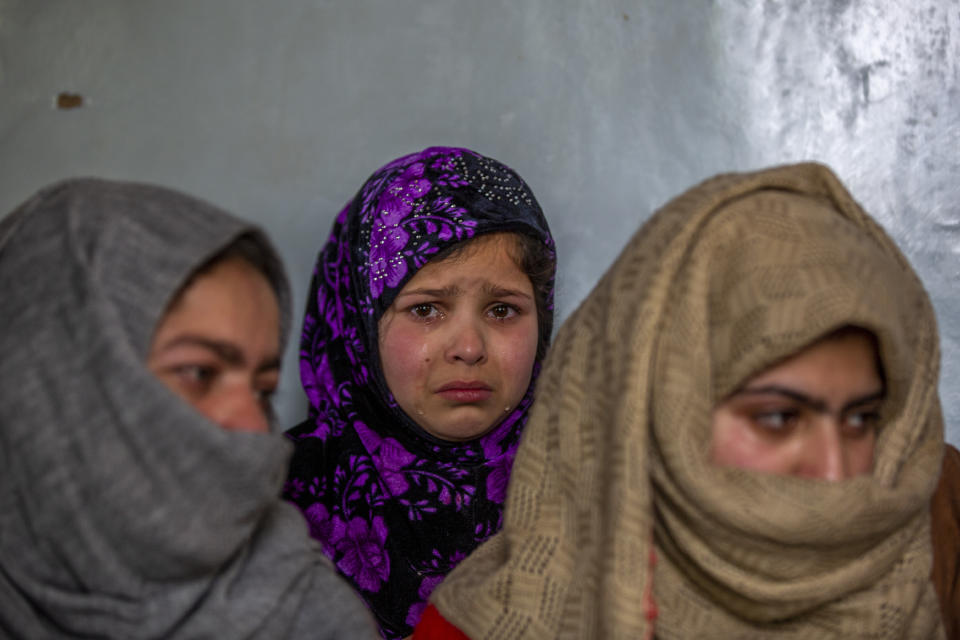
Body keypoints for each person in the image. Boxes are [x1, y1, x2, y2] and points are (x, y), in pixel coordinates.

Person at [418, 162, 958, 638]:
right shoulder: (501, 620)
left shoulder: (937, 522)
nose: (837, 471)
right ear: (652, 409)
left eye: (862, 418)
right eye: (777, 417)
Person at [0, 178, 377, 639]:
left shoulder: (307, 615)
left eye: (264, 391)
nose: (254, 426)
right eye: (199, 373)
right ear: (49, 381)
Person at [283, 146, 555, 638]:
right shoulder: (260, 513)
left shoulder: (608, 503)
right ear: (357, 324)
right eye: (427, 309)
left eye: (502, 310)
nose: (469, 348)